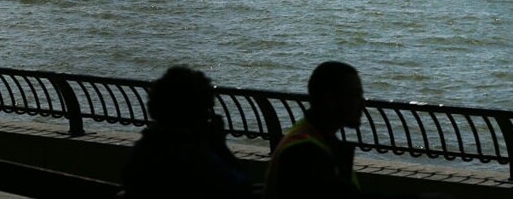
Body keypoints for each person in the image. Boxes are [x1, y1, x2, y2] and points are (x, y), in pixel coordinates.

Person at [264, 61, 446, 199]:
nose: (362, 102)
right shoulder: (305, 153)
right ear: (329, 99)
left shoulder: (305, 138)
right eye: (354, 95)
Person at [120, 65, 253, 199]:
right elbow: (241, 189)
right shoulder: (194, 158)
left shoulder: (141, 152)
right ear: (197, 113)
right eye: (206, 111)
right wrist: (219, 146)